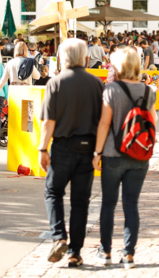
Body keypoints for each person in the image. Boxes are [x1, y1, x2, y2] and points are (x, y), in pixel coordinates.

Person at [38, 38, 104, 268]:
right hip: (87, 148)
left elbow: (49, 122)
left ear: (62, 57)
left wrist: (42, 148)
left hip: (63, 147)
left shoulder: (55, 82)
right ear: (85, 57)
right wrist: (99, 151)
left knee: (53, 192)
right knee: (80, 201)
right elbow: (102, 121)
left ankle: (59, 237)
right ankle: (75, 252)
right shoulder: (96, 83)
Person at [91, 47, 154, 269]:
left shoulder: (112, 90)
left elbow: (104, 123)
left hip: (112, 153)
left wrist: (97, 152)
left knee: (108, 204)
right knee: (131, 205)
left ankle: (105, 251)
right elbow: (152, 121)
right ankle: (128, 255)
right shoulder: (149, 92)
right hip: (139, 155)